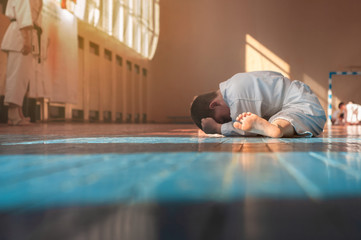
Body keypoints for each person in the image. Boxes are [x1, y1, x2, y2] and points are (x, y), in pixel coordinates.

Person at [190, 71, 326, 138]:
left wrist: (218, 128)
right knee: (281, 118)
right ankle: (275, 127)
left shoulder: (235, 99)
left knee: (287, 119)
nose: (229, 120)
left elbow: (244, 128)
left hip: (302, 104)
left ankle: (277, 129)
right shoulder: (235, 81)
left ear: (214, 105)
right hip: (298, 95)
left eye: (223, 119)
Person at [1, 0, 42, 125]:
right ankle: (14, 115)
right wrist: (25, 39)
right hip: (20, 34)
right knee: (17, 77)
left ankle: (18, 113)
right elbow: (22, 15)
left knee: (22, 77)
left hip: (25, 33)